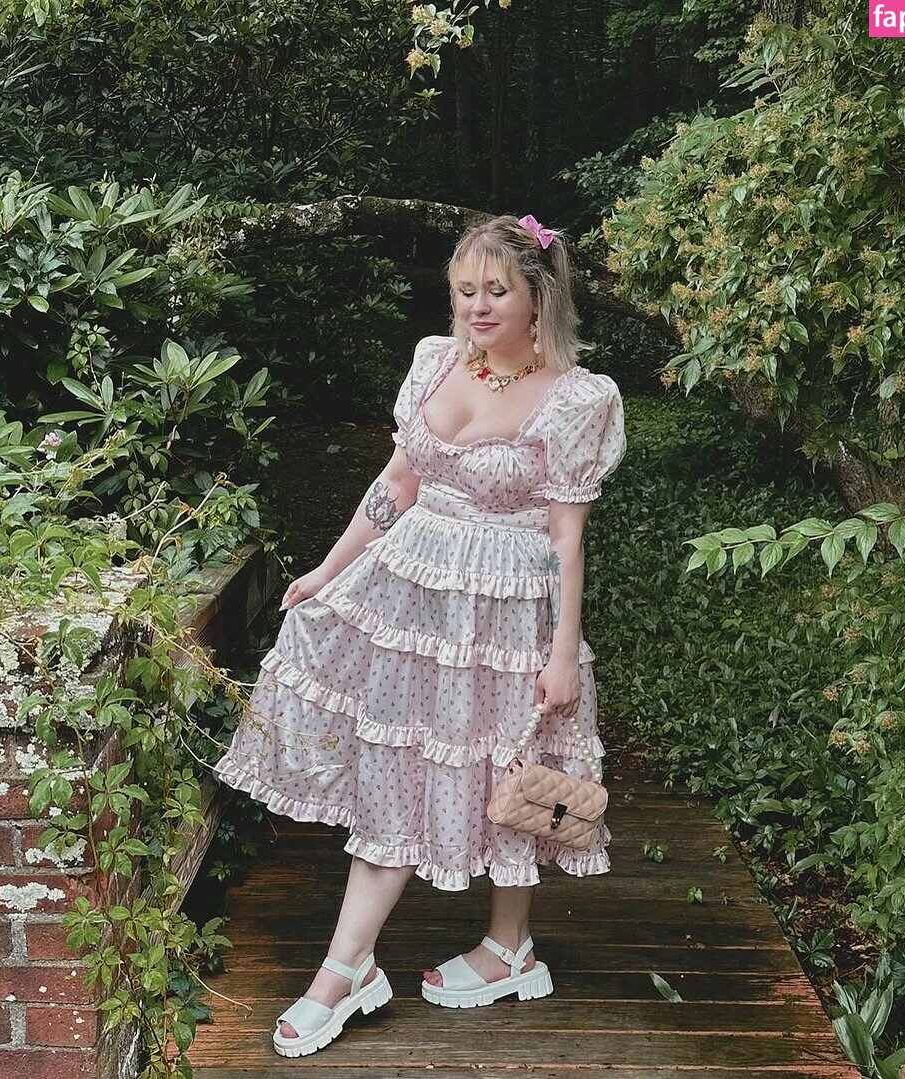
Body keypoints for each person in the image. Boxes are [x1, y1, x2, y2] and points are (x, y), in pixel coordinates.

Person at [212, 212, 627, 1058]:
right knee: (400, 768)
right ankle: (348, 966)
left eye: (496, 290)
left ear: (538, 295)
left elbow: (565, 537)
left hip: (505, 612)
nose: (477, 306)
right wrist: (328, 569)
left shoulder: (576, 398)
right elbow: (397, 483)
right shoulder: (437, 362)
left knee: (513, 768)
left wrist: (561, 654)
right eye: (464, 290)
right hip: (410, 600)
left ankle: (509, 948)